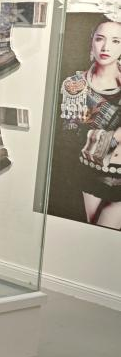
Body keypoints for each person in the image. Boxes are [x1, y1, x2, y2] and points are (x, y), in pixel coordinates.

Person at [59, 18, 121, 229]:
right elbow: (69, 135)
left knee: (106, 230)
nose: (106, 47)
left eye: (116, 41)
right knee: (93, 231)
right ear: (91, 42)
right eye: (100, 39)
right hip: (89, 171)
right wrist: (112, 138)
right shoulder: (75, 84)